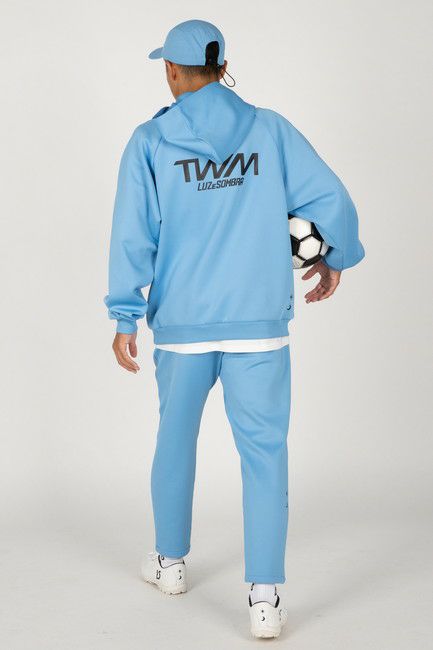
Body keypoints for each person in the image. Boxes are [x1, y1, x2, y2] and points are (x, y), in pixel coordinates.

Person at [104, 19, 364, 639]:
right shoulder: (270, 130)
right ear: (223, 68)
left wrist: (124, 314)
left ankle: (170, 565)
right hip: (259, 326)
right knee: (265, 454)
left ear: (171, 71)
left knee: (175, 441)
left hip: (184, 327)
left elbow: (133, 234)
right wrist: (335, 254)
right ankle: (265, 599)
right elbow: (331, 198)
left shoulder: (150, 140)